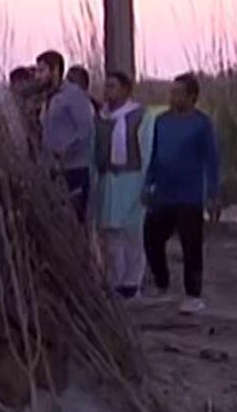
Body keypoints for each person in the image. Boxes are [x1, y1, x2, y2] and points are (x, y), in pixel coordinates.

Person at [143, 73, 220, 315]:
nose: (172, 96)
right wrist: (148, 184)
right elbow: (155, 155)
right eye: (171, 91)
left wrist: (213, 194)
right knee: (151, 237)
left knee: (191, 246)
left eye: (178, 92)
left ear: (191, 96)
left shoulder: (201, 123)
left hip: (189, 195)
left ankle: (193, 295)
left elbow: (212, 160)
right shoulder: (162, 121)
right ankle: (162, 284)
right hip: (164, 193)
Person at [91, 71, 154, 300]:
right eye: (106, 87)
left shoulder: (140, 116)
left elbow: (146, 150)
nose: (108, 92)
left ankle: (132, 282)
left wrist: (147, 182)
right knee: (109, 233)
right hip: (108, 180)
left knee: (132, 232)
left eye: (113, 87)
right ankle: (114, 280)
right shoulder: (101, 117)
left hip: (132, 178)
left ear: (126, 90)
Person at [37, 50, 95, 223]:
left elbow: (86, 129)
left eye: (42, 71)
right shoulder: (48, 98)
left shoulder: (73, 95)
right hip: (52, 168)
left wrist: (66, 150)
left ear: (55, 70)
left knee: (75, 221)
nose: (38, 76)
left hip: (73, 168)